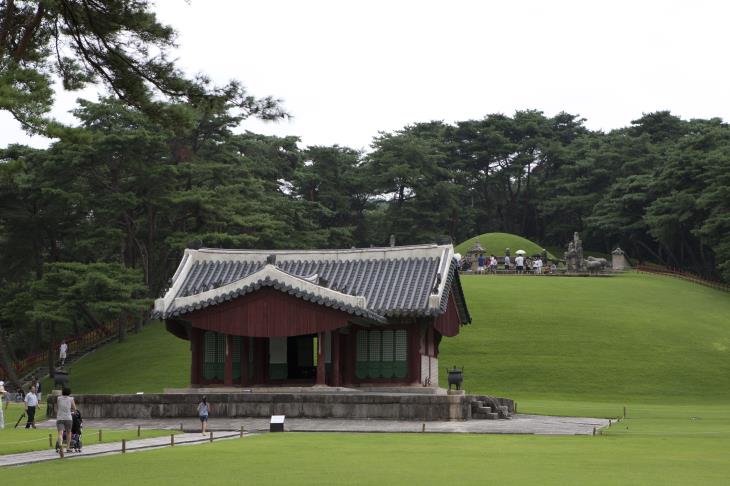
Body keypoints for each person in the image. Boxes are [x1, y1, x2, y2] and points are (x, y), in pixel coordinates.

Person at [56, 387, 77, 453]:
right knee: (68, 432)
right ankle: (68, 447)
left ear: (62, 392)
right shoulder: (71, 399)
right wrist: (73, 412)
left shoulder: (58, 398)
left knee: (60, 432)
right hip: (68, 418)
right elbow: (74, 409)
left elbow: (58, 407)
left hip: (60, 417)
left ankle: (60, 446)